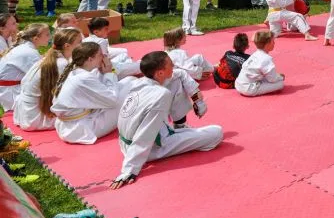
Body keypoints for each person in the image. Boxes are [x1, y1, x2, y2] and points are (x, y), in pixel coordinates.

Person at [110, 51, 223, 190]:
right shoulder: (161, 95)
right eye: (170, 64)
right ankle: (179, 133)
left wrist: (197, 98)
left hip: (127, 142)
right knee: (216, 133)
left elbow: (180, 74)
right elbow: (145, 134)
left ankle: (180, 127)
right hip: (152, 147)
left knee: (176, 81)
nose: (173, 65)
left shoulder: (138, 83)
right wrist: (129, 170)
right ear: (160, 73)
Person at [51, 42, 135, 145]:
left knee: (129, 81)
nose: (104, 57)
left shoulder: (74, 72)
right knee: (132, 87)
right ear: (90, 59)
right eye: (100, 55)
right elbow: (112, 100)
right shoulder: (84, 78)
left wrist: (105, 73)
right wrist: (109, 73)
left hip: (68, 127)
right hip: (82, 129)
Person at [13, 28, 82, 131]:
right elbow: (70, 93)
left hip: (26, 113)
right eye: (80, 42)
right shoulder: (61, 63)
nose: (83, 45)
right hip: (34, 117)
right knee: (87, 113)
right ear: (67, 46)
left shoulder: (51, 58)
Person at [0, 23, 51, 111]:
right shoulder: (29, 52)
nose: (50, 37)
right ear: (36, 38)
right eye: (47, 35)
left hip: (8, 91)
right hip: (12, 94)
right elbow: (43, 76)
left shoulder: (25, 48)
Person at [235, 31, 285, 96]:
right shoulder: (266, 58)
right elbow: (272, 79)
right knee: (280, 83)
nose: (274, 43)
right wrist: (280, 77)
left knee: (266, 77)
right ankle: (256, 88)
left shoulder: (255, 54)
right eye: (273, 41)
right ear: (267, 44)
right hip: (248, 89)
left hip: (238, 84)